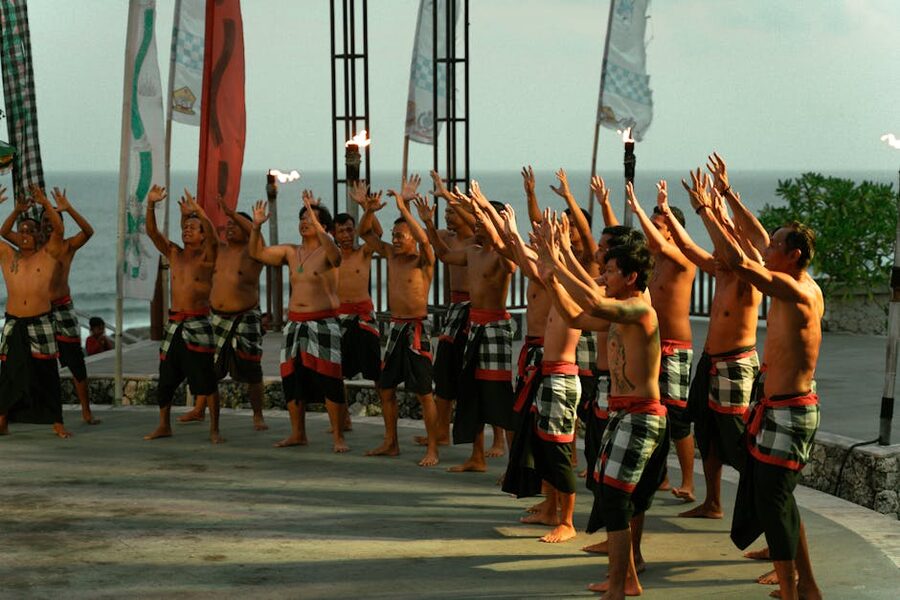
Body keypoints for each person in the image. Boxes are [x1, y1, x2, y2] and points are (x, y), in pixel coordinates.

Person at [687, 171, 823, 600]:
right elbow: (756, 237)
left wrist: (706, 211)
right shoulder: (797, 282)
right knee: (779, 499)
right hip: (778, 405)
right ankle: (805, 586)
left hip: (791, 410)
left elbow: (741, 260)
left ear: (793, 254)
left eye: (774, 246)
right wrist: (728, 196)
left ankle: (793, 589)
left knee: (774, 500)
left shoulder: (795, 292)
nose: (765, 247)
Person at [544, 218, 668, 598]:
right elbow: (577, 316)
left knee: (615, 498)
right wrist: (551, 280)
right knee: (612, 495)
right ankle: (626, 579)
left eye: (611, 271)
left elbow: (592, 301)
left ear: (631, 277)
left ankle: (620, 587)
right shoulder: (617, 308)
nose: (604, 275)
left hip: (641, 414)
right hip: (622, 414)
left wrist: (559, 259)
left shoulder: (639, 309)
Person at [662, 169, 762, 520]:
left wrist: (711, 208)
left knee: (736, 438)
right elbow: (689, 248)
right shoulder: (720, 270)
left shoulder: (749, 274)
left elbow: (738, 249)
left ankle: (757, 507)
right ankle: (713, 502)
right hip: (710, 361)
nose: (716, 251)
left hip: (734, 364)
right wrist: (673, 210)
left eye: (724, 244)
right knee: (708, 435)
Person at [500, 207, 582, 544]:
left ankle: (568, 520)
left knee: (560, 450)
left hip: (561, 378)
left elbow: (540, 265)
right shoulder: (554, 281)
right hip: (545, 374)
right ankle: (550, 508)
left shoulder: (573, 285)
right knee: (545, 448)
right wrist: (513, 230)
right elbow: (526, 260)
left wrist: (542, 239)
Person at [422, 182, 516, 473]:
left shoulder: (505, 255)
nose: (474, 224)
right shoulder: (472, 252)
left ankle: (515, 466)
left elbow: (512, 262)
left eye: (479, 220)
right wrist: (427, 223)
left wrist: (499, 225)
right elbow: (444, 255)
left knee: (498, 395)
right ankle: (477, 457)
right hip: (472, 325)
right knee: (470, 392)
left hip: (495, 328)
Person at [249, 190, 348, 453]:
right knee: (292, 379)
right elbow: (257, 252)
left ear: (323, 226)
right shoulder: (291, 252)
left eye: (311, 219)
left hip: (323, 323)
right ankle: (297, 434)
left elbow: (336, 256)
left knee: (330, 380)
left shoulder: (329, 252)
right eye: (302, 218)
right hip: (295, 324)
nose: (304, 222)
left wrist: (319, 223)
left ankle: (338, 437)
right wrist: (256, 226)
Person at [360, 175, 441, 467]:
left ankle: (432, 447)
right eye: (393, 236)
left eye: (399, 236)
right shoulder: (391, 256)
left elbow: (424, 239)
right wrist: (369, 210)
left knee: (424, 393)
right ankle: (390, 441)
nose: (394, 240)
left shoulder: (424, 259)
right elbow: (365, 234)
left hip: (417, 328)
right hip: (395, 327)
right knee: (386, 388)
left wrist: (404, 207)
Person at [1, 186, 99, 424]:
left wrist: (56, 206)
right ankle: (14, 414)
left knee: (72, 358)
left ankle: (85, 410)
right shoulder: (26, 247)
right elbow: (6, 233)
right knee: (19, 363)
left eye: (49, 222)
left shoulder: (60, 247)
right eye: (41, 222)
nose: (45, 226)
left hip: (60, 307)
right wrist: (18, 211)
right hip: (32, 312)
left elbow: (87, 231)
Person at [625, 181, 697, 501]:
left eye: (658, 227)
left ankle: (689, 481)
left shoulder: (683, 260)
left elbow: (663, 243)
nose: (651, 232)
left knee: (678, 418)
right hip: (654, 345)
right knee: (654, 412)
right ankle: (662, 476)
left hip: (677, 349)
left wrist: (641, 207)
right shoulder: (651, 263)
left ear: (673, 231)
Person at [178, 198, 267, 431]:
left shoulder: (255, 253)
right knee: (209, 367)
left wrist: (235, 214)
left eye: (234, 225)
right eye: (227, 225)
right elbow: (201, 233)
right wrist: (192, 214)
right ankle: (199, 409)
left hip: (245, 316)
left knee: (252, 370)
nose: (229, 228)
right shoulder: (218, 250)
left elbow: (257, 236)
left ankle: (258, 414)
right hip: (216, 316)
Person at [143, 186, 223, 444]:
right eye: (185, 226)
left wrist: (200, 212)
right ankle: (164, 425)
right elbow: (152, 233)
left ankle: (214, 430)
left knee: (207, 381)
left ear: (201, 235)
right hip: (175, 324)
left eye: (193, 227)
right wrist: (150, 205)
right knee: (166, 379)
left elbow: (212, 238)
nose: (187, 229)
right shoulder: (175, 253)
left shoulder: (207, 257)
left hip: (198, 323)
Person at [417, 170, 482, 450]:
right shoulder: (446, 237)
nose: (447, 217)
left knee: (479, 377)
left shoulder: (479, 242)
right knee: (443, 374)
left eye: (452, 213)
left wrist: (448, 195)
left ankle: (498, 440)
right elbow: (424, 237)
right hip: (455, 310)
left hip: (476, 310)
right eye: (446, 213)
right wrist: (414, 211)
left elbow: (477, 222)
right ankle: (441, 431)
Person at [0, 186, 72, 438]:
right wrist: (16, 211)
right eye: (22, 231)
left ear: (40, 234)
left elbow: (60, 230)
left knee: (47, 373)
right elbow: (1, 232)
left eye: (31, 230)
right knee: (9, 373)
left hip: (40, 322)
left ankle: (57, 421)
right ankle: (2, 419)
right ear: (15, 236)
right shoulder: (8, 255)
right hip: (13, 322)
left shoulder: (48, 254)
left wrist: (46, 204)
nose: (26, 234)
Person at [333, 182, 386, 432]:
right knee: (338, 373)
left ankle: (389, 424)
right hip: (340, 317)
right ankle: (344, 420)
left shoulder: (363, 253)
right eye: (340, 231)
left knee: (376, 373)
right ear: (334, 234)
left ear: (355, 231)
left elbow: (378, 235)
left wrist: (368, 208)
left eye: (349, 230)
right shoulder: (331, 257)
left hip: (365, 316)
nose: (345, 235)